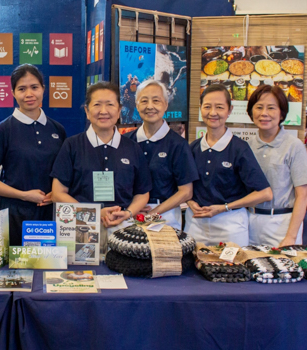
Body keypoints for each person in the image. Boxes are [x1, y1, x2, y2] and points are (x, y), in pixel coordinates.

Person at [0, 65, 67, 246]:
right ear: (12, 92)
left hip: (51, 216)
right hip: (14, 216)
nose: (29, 94)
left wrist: (56, 192)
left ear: (43, 88)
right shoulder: (3, 130)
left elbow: (65, 173)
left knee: (49, 269)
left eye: (34, 87)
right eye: (22, 89)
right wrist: (24, 195)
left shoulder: (57, 129)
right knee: (16, 271)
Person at [51, 81, 152, 243]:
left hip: (123, 228)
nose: (103, 111)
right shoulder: (72, 145)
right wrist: (94, 213)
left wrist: (128, 213)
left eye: (110, 105)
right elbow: (57, 193)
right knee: (80, 269)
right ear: (87, 111)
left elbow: (142, 193)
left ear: (119, 110)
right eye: (97, 104)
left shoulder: (132, 148)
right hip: (80, 227)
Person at [185, 84, 272, 246]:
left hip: (230, 225)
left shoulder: (239, 148)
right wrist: (190, 202)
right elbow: (184, 187)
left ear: (230, 110)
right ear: (200, 109)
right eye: (207, 107)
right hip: (196, 223)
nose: (213, 113)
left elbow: (265, 193)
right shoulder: (193, 148)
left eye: (219, 107)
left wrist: (224, 207)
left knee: (231, 269)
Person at [123, 80, 197, 230]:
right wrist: (132, 209)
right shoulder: (126, 141)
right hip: (129, 212)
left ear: (166, 105)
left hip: (165, 215)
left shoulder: (177, 144)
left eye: (156, 101)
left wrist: (153, 214)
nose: (150, 106)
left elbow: (186, 192)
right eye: (144, 101)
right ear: (137, 105)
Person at [246, 85, 307, 247]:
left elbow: (303, 196)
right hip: (249, 221)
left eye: (271, 108)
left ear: (282, 113)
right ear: (251, 112)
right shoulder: (247, 146)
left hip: (281, 224)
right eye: (259, 107)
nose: (264, 113)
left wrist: (290, 236)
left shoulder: (294, 146)